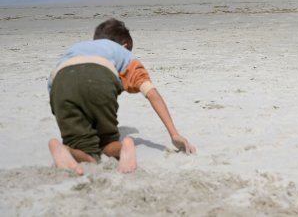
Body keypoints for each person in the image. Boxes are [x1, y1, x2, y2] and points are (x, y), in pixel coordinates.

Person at [47, 18, 195, 175]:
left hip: (60, 81)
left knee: (81, 146)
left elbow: (55, 92)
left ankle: (67, 150)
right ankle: (124, 147)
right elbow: (151, 93)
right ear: (125, 46)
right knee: (106, 143)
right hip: (100, 77)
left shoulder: (76, 48)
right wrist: (174, 134)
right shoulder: (122, 53)